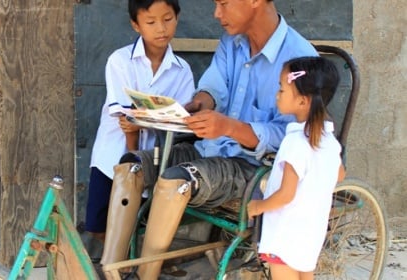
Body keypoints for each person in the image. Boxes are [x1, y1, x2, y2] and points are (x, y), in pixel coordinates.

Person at [100, 0, 321, 278]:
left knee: (176, 180)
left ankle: (145, 275)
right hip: (210, 149)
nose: (217, 13)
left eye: (224, 3)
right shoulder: (232, 41)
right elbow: (213, 87)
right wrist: (198, 104)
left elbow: (297, 136)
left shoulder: (300, 60)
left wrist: (230, 127)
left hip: (254, 167)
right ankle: (110, 269)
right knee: (132, 167)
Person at [85, 0, 195, 253]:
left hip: (154, 159)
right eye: (151, 22)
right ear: (136, 25)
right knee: (98, 223)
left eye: (167, 19)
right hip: (111, 156)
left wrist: (149, 120)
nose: (161, 28)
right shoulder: (120, 61)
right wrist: (149, 119)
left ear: (177, 18)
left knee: (138, 220)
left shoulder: (182, 71)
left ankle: (130, 265)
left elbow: (180, 119)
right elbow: (123, 116)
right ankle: (122, 260)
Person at [247, 57, 346, 280]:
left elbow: (285, 195)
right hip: (311, 233)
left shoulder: (295, 143)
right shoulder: (329, 142)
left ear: (302, 101)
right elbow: (340, 174)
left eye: (282, 89)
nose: (277, 94)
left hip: (284, 234)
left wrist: (258, 206)